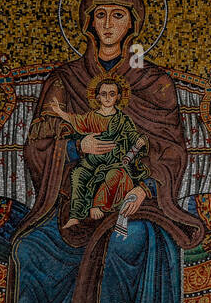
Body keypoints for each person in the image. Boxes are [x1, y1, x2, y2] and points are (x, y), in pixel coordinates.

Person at [0, 0, 205, 303]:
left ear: (133, 24)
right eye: (100, 15)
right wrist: (76, 147)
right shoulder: (65, 80)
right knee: (31, 248)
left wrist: (145, 188)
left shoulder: (154, 82)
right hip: (71, 206)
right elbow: (38, 144)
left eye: (118, 15)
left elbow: (171, 150)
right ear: (88, 22)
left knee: (129, 241)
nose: (108, 24)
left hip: (135, 203)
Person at [44, 76, 149, 227]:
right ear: (98, 97)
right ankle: (75, 216)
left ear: (118, 97)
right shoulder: (91, 117)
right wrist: (59, 112)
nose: (107, 98)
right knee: (78, 174)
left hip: (115, 162)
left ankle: (98, 205)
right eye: (104, 94)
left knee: (115, 175)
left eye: (112, 94)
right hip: (92, 162)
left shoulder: (123, 120)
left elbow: (133, 137)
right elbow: (76, 120)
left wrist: (141, 141)